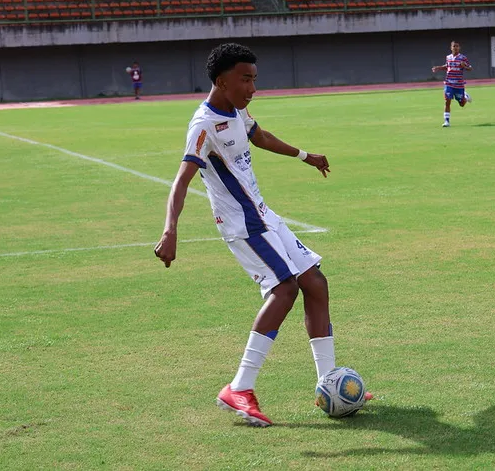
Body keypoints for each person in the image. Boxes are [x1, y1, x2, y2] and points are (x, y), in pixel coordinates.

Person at [153, 43, 371, 427]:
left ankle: (329, 382)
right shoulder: (203, 126)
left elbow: (259, 136)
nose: (253, 87)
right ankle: (239, 387)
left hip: (264, 215)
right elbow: (181, 180)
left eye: (254, 79)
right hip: (241, 225)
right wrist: (170, 229)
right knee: (284, 289)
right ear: (222, 81)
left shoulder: (237, 109)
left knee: (315, 283)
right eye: (245, 79)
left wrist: (306, 156)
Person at [431, 41, 472, 127]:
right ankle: (446, 121)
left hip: (459, 84)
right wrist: (438, 68)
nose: (455, 48)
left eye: (457, 46)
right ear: (451, 48)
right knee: (447, 101)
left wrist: (464, 66)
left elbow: (470, 68)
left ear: (459, 48)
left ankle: (465, 97)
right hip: (449, 83)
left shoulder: (463, 58)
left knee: (462, 104)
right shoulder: (448, 57)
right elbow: (447, 66)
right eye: (454, 46)